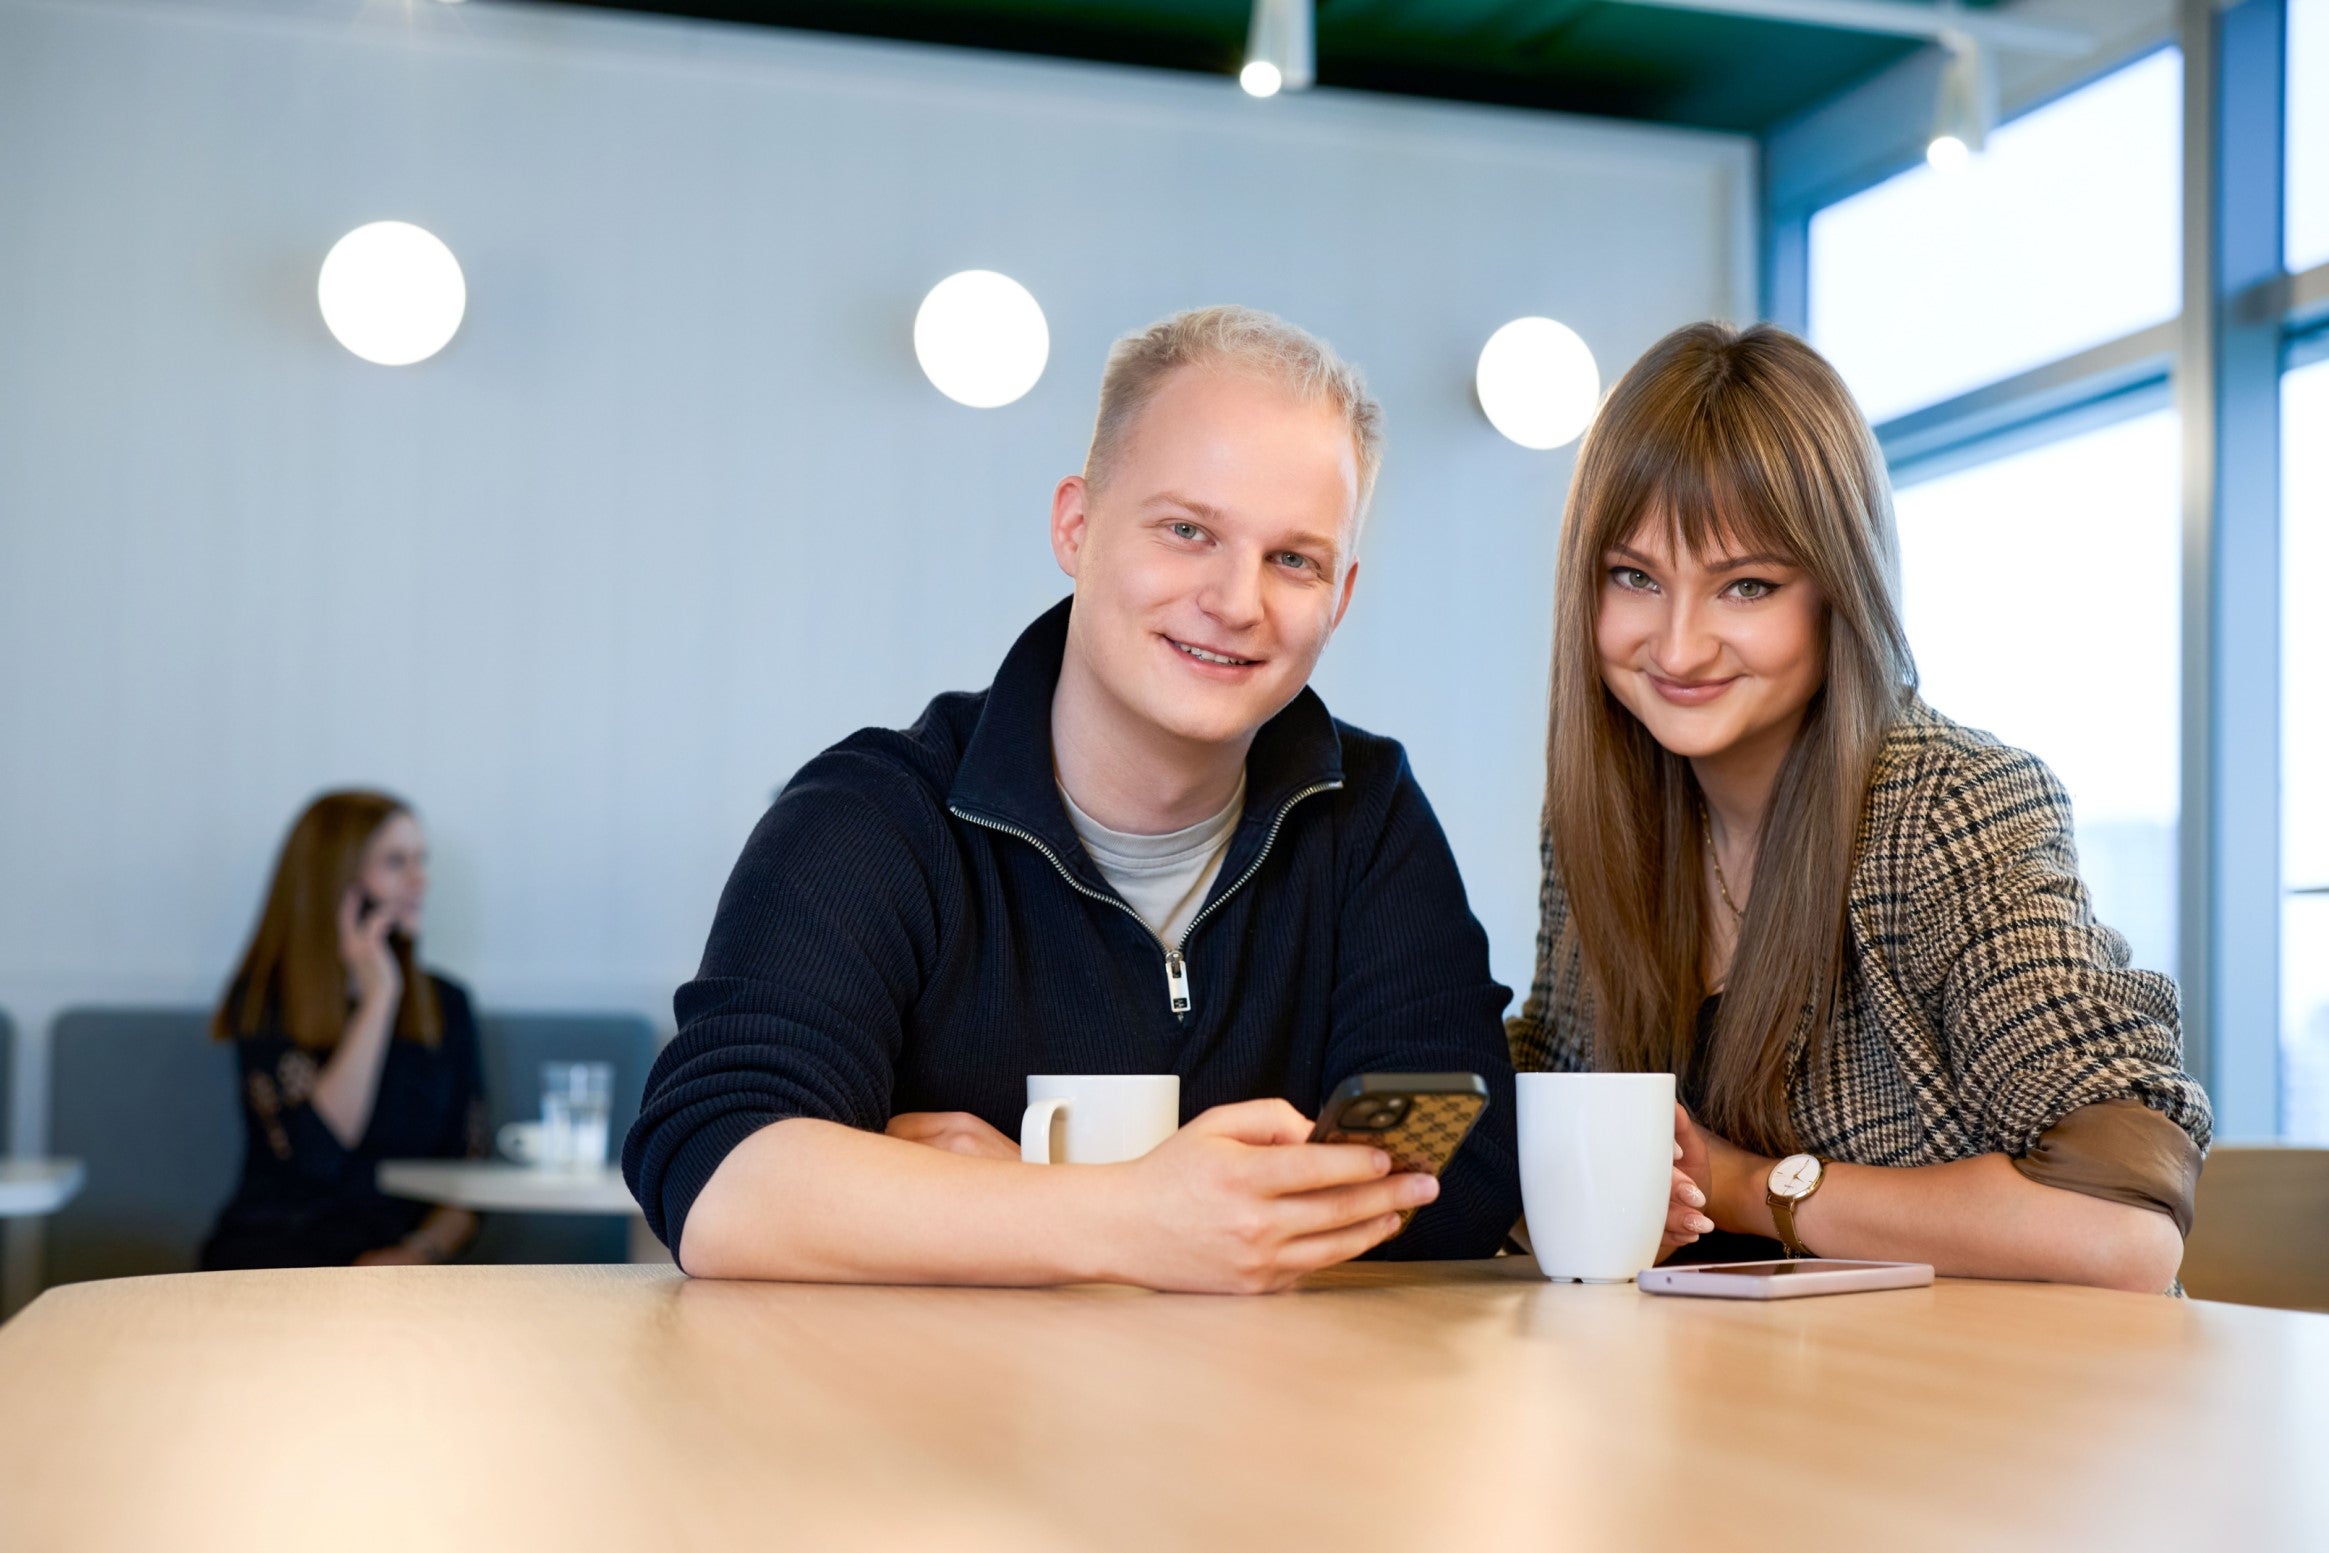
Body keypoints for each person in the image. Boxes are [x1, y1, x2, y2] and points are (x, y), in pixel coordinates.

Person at [625, 306, 1520, 1292]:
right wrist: (1129, 1217)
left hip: (1272, 1426)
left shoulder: (1367, 813)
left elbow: (1463, 1180)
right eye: (1188, 530)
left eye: (1293, 559)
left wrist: (1015, 1195)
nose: (1235, 600)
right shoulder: (872, 815)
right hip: (926, 1430)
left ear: (1338, 598)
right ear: (1075, 525)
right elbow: (720, 1179)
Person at [1507, 321, 2211, 1294]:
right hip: (1718, 1397)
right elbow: (1546, 1097)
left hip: (1984, 1411)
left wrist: (1747, 1186)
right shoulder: (1603, 818)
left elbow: (2120, 1233)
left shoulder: (1948, 807)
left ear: (1837, 593)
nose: (1676, 644)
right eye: (1634, 576)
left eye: (1744, 585)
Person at [201, 791, 486, 1269]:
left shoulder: (447, 1004)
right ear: (337, 879)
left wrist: (419, 1252)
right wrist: (378, 1000)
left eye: (422, 860)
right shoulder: (264, 1001)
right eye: (396, 862)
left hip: (401, 1273)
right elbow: (317, 1154)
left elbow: (472, 1173)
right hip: (277, 1263)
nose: (421, 880)